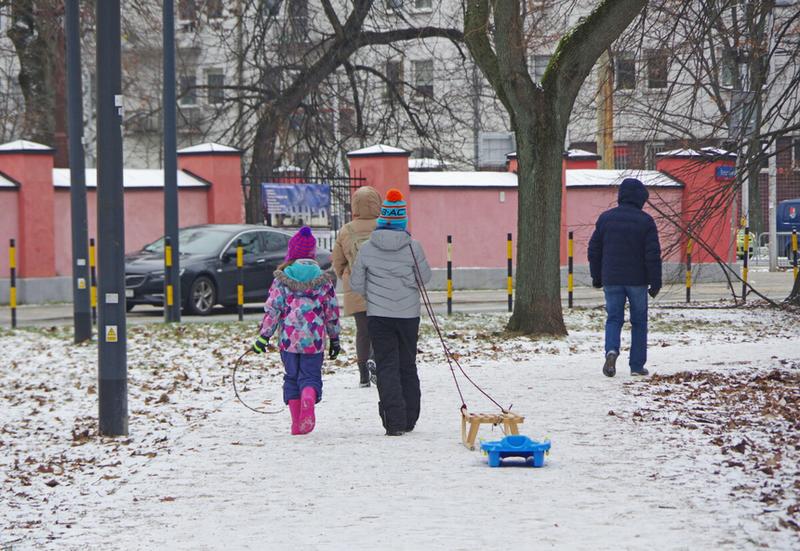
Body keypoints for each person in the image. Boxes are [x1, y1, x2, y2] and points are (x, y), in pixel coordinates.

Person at [350, 189, 432, 436]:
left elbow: (355, 284)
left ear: (382, 219)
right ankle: (409, 418)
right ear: (402, 221)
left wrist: (372, 295)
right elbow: (424, 278)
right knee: (408, 364)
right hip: (408, 316)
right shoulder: (413, 247)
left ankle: (393, 422)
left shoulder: (367, 248)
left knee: (386, 365)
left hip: (379, 316)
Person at [252, 226, 341, 435]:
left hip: (289, 340)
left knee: (291, 377)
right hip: (314, 340)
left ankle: (296, 422)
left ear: (292, 252)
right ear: (312, 253)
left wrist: (263, 337)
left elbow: (273, 310)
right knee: (310, 376)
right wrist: (334, 338)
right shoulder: (323, 280)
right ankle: (309, 397)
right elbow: (331, 311)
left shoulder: (282, 279)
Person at [588, 177, 662, 377]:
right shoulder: (646, 221)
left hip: (611, 279)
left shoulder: (606, 218)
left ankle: (611, 351)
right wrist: (655, 282)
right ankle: (637, 366)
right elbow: (652, 255)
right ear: (640, 199)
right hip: (637, 280)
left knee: (614, 319)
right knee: (639, 322)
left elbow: (594, 250)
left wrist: (597, 276)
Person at [332, 186, 382, 388]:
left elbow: (337, 262)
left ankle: (363, 375)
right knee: (381, 329)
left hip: (355, 287)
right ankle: (376, 361)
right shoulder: (384, 226)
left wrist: (346, 277)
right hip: (383, 288)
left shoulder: (346, 230)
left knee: (362, 331)